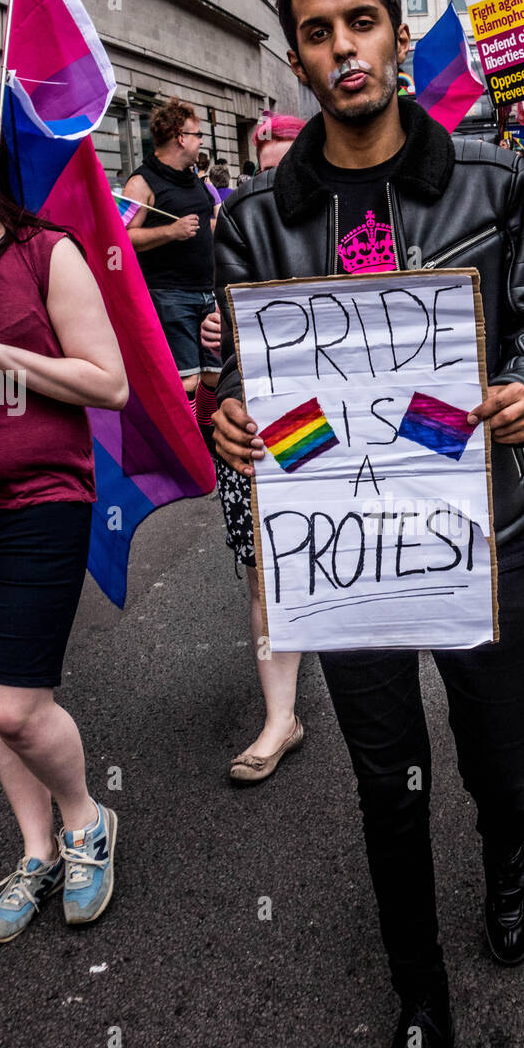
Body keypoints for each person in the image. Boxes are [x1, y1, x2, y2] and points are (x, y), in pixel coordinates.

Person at [211, 0, 524, 1048]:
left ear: (392, 33)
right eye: (316, 33)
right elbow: (256, 390)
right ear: (298, 57)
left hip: (478, 529)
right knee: (387, 783)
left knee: (498, 757)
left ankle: (512, 851)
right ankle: (420, 1010)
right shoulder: (254, 219)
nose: (343, 48)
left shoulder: (487, 180)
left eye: (360, 21)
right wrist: (236, 429)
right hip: (346, 556)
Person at [0, 88, 127, 944]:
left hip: (39, 499)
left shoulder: (44, 254)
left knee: (14, 706)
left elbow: (107, 383)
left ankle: (84, 818)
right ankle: (36, 848)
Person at [200, 116, 308, 788]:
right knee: (267, 571)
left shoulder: (357, 227)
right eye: (262, 169)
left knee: (348, 552)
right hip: (267, 422)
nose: (273, 183)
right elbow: (229, 353)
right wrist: (221, 338)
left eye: (287, 166)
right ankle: (280, 719)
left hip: (347, 425)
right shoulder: (236, 231)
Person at [120, 98, 219, 438]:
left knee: (213, 374)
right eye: (197, 134)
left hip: (207, 289)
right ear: (180, 136)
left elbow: (210, 220)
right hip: (169, 293)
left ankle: (204, 430)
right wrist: (171, 232)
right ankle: (190, 442)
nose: (201, 141)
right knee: (187, 377)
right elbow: (120, 238)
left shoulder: (193, 178)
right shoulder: (141, 183)